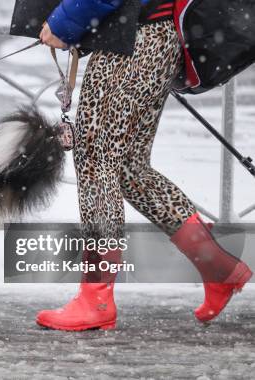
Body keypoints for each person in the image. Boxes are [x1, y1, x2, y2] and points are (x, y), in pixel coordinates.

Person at [29, 0, 253, 331]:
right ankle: (218, 268)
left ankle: (96, 297)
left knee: (95, 156)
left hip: (134, 35)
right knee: (129, 166)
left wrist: (65, 22)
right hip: (157, 35)